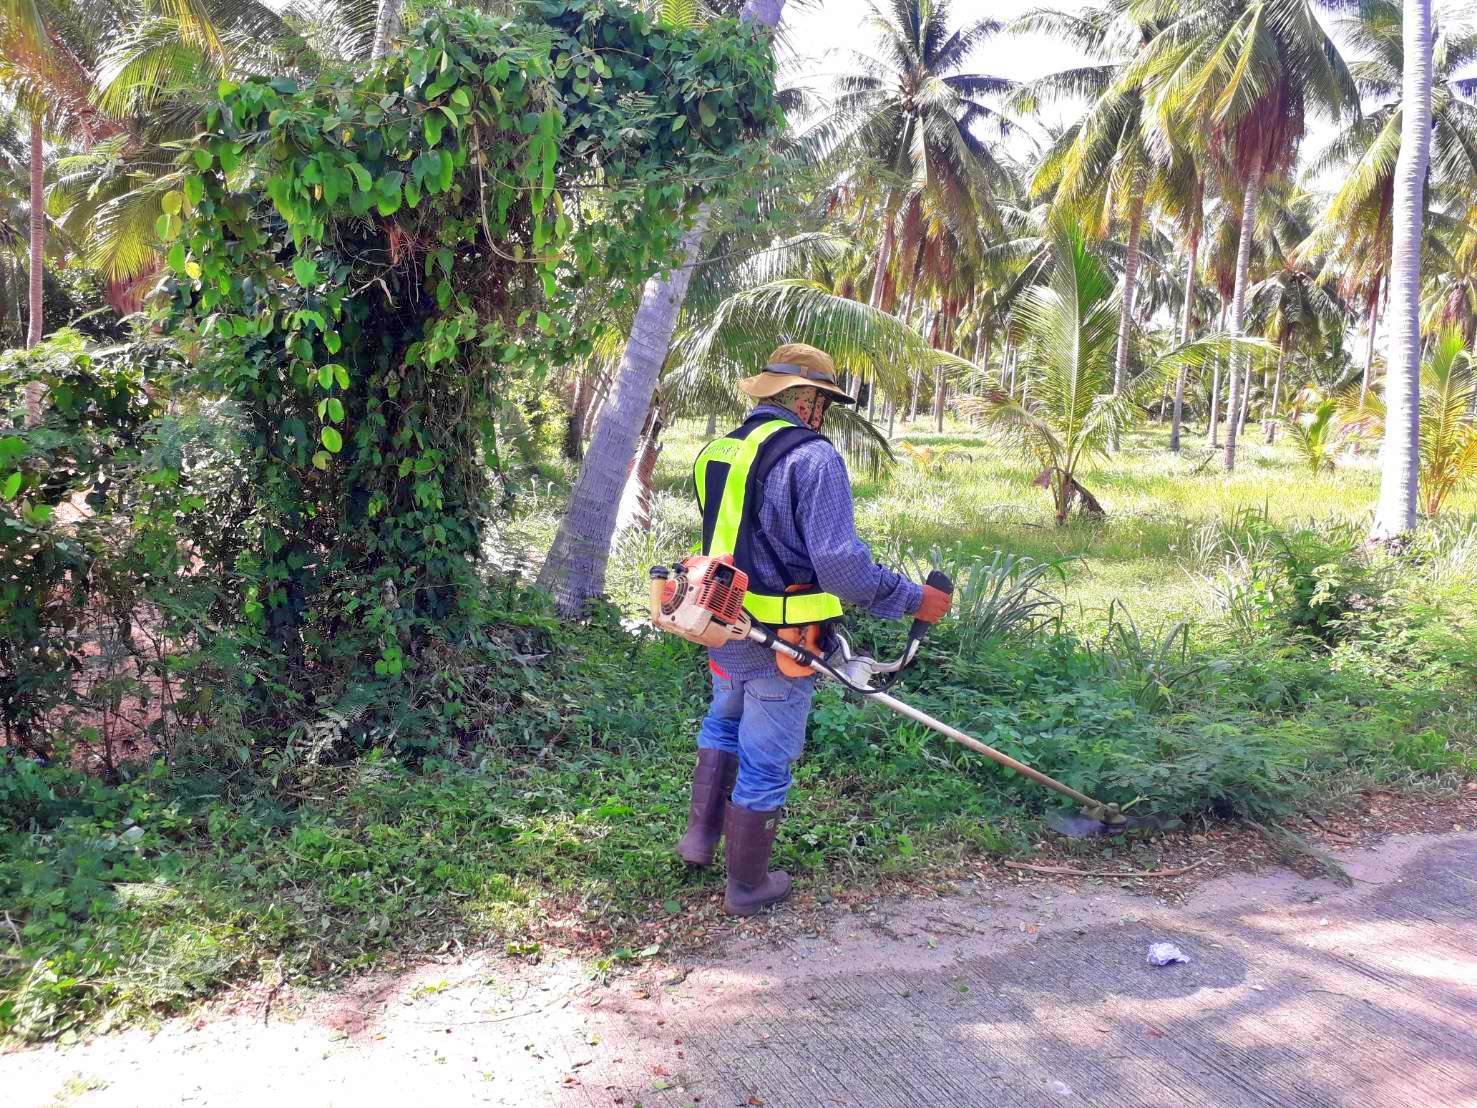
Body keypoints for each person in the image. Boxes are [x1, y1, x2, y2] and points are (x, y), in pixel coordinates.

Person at [674, 343, 951, 916]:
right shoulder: (812, 458)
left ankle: (700, 839)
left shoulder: (717, 451)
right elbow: (841, 567)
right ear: (804, 398)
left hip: (720, 624)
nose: (822, 412)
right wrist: (910, 599)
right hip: (785, 642)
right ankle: (747, 886)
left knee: (723, 722)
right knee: (766, 756)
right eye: (822, 400)